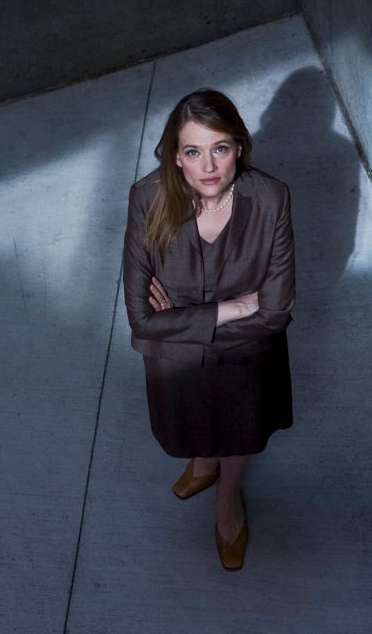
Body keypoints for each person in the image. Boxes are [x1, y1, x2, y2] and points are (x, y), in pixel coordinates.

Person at [122, 88, 295, 570]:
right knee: (195, 423)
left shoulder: (271, 199)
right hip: (179, 365)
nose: (209, 166)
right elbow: (141, 318)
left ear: (239, 146)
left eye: (220, 148)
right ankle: (203, 462)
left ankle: (227, 497)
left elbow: (275, 313)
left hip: (246, 358)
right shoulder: (146, 199)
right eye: (193, 152)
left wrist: (178, 321)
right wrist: (232, 308)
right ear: (176, 157)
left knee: (240, 429)